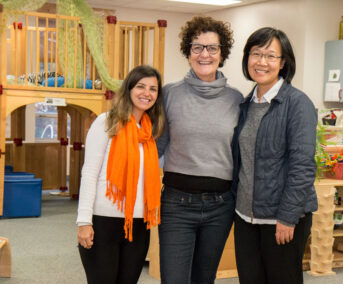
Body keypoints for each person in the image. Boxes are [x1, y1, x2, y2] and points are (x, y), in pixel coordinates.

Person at [156, 16, 243, 284]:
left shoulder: (236, 100)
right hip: (176, 204)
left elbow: (240, 154)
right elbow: (156, 146)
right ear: (188, 51)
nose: (204, 54)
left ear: (222, 53)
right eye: (197, 47)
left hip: (220, 206)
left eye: (212, 48)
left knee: (204, 279)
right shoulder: (170, 94)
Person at [231, 27, 318, 284]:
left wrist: (287, 217)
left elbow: (302, 166)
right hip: (246, 217)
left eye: (270, 56)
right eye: (256, 54)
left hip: (281, 219)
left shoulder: (297, 103)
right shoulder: (247, 104)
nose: (262, 62)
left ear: (283, 63)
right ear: (247, 58)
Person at [76, 65, 165, 284]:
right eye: (141, 86)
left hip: (138, 224)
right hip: (104, 222)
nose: (147, 93)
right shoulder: (107, 121)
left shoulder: (148, 132)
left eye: (153, 89)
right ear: (128, 89)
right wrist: (84, 222)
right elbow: (89, 173)